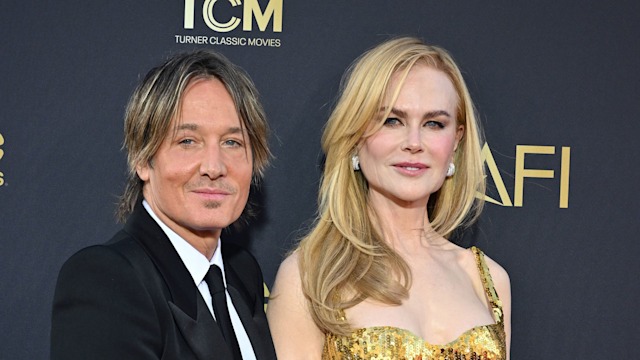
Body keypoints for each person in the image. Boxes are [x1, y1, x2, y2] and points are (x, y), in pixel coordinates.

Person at [267, 37, 511, 359]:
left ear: (456, 142)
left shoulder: (488, 279)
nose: (414, 142)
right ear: (355, 137)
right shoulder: (311, 277)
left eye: (434, 124)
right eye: (391, 120)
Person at [51, 50, 277, 360]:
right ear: (143, 159)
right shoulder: (107, 280)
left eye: (232, 143)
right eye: (187, 141)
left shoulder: (242, 273)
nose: (214, 166)